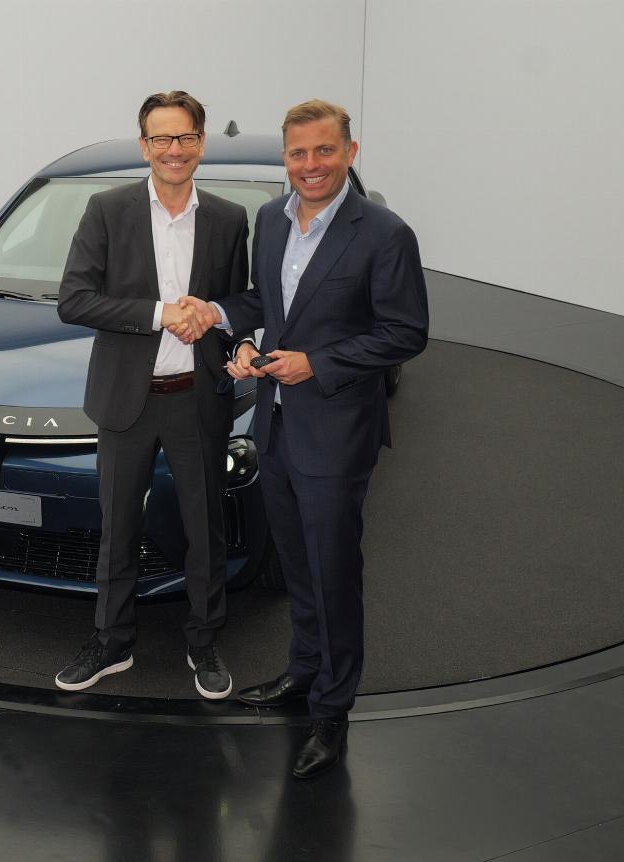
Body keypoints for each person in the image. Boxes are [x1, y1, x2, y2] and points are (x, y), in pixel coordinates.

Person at [198, 98, 429, 777]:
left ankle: (332, 709)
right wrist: (236, 334)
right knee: (296, 565)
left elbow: (405, 332)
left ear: (350, 153)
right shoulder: (271, 219)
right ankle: (302, 671)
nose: (311, 165)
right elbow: (265, 304)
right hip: (274, 424)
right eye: (298, 153)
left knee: (333, 573)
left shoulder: (385, 234)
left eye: (324, 151)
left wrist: (318, 364)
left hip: (336, 432)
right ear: (286, 159)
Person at [54, 91, 250, 699]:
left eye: (185, 137)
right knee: (117, 527)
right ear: (144, 147)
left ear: (201, 144)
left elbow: (244, 302)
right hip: (126, 400)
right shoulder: (107, 210)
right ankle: (112, 642)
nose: (174, 149)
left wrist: (219, 318)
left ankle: (204, 642)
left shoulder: (228, 219)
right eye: (162, 138)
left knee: (204, 527)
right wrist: (161, 314)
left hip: (198, 397)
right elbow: (74, 300)